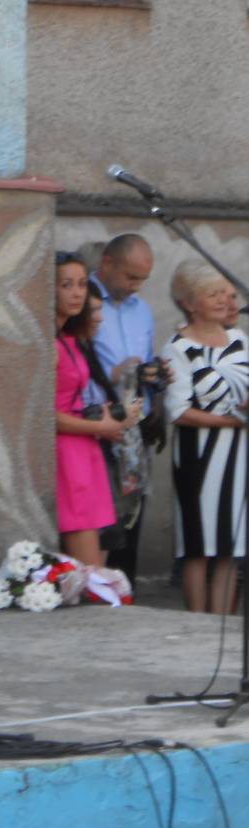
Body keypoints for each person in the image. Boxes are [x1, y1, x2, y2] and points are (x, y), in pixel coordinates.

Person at [161, 260, 248, 614]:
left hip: (238, 456)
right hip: (198, 456)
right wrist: (231, 422)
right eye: (212, 294)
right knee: (197, 547)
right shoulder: (177, 348)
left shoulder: (240, 340)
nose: (223, 300)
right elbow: (178, 411)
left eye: (223, 293)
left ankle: (221, 620)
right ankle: (197, 624)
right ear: (189, 303)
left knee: (229, 546)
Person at [91, 234, 168, 581]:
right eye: (130, 276)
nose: (136, 286)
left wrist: (156, 373)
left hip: (134, 429)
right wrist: (116, 372)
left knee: (131, 518)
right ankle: (99, 593)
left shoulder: (143, 311)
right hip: (97, 425)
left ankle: (126, 591)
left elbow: (145, 361)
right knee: (101, 524)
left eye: (142, 279)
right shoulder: (86, 302)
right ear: (107, 262)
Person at [54, 252, 127, 569]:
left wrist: (104, 417)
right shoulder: (50, 343)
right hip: (68, 451)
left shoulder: (70, 339)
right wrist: (100, 426)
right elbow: (46, 415)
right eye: (66, 285)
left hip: (85, 446)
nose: (77, 293)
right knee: (89, 568)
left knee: (95, 560)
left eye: (82, 284)